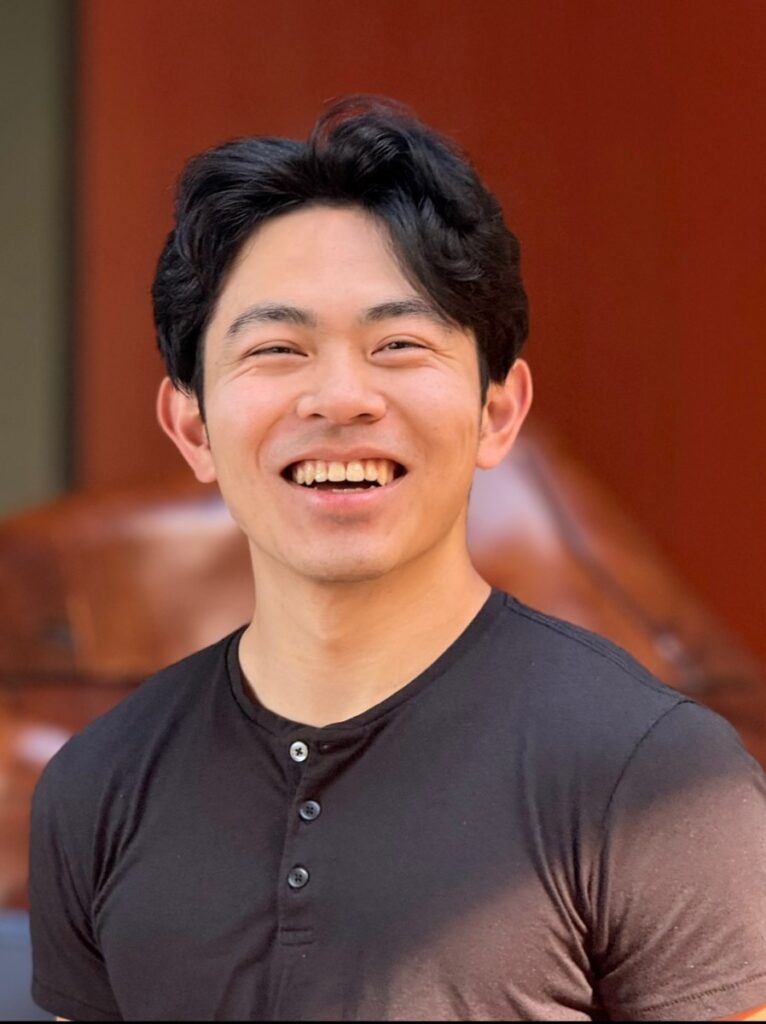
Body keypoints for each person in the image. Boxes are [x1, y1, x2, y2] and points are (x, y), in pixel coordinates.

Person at [28, 96, 766, 1022]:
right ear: (192, 425)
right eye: (278, 348)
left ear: (498, 411)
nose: (342, 397)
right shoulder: (98, 783)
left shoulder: (657, 778)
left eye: (399, 344)